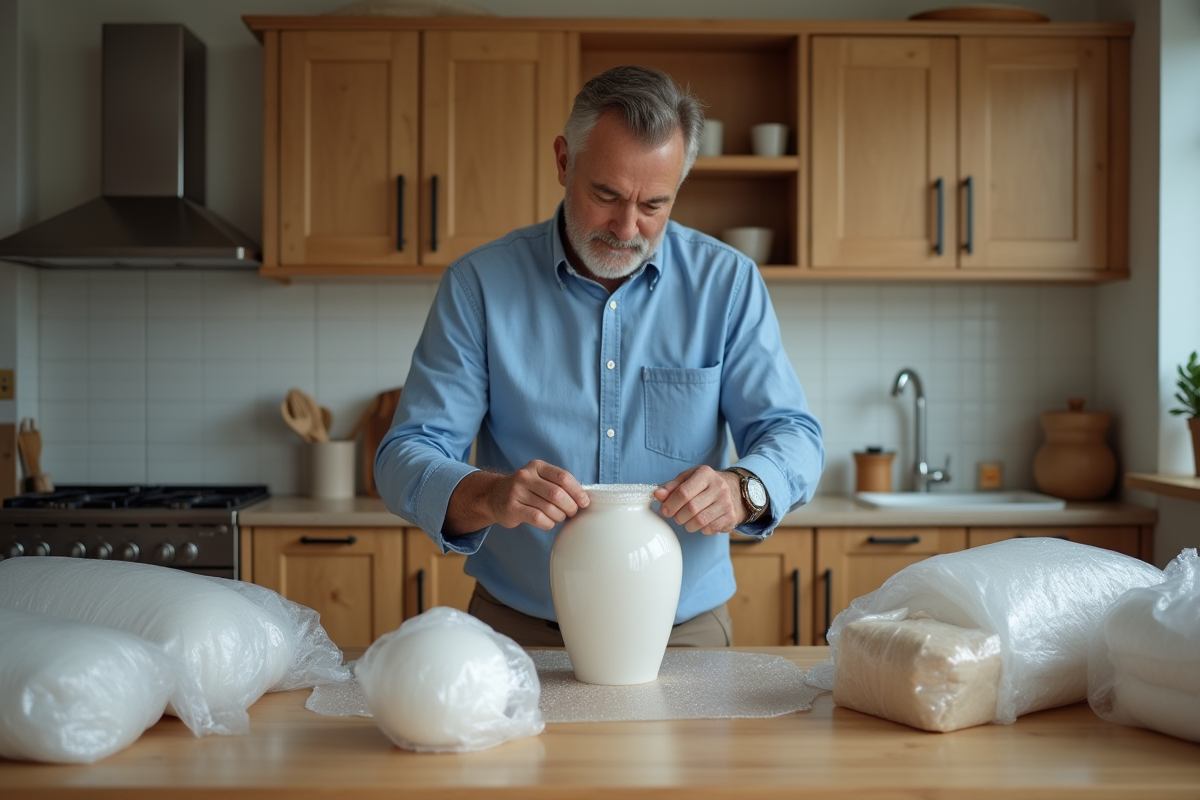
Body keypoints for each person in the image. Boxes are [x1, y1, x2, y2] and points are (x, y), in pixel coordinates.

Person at [375, 65, 824, 647]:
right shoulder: (478, 285)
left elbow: (793, 433)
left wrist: (745, 488)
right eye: (606, 195)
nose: (627, 227)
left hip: (682, 631)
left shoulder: (728, 283)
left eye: (654, 204)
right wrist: (489, 493)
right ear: (564, 162)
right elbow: (404, 455)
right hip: (519, 628)